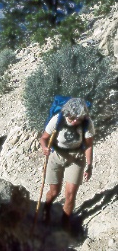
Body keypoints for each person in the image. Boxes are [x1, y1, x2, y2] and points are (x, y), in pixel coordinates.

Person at [39, 98, 95, 229]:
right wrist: (44, 147)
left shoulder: (87, 123)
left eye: (78, 119)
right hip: (56, 156)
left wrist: (89, 165)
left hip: (76, 158)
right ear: (67, 114)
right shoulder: (57, 119)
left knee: (70, 194)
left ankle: (65, 223)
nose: (75, 121)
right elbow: (44, 138)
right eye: (72, 118)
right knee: (54, 192)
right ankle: (46, 208)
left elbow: (88, 145)